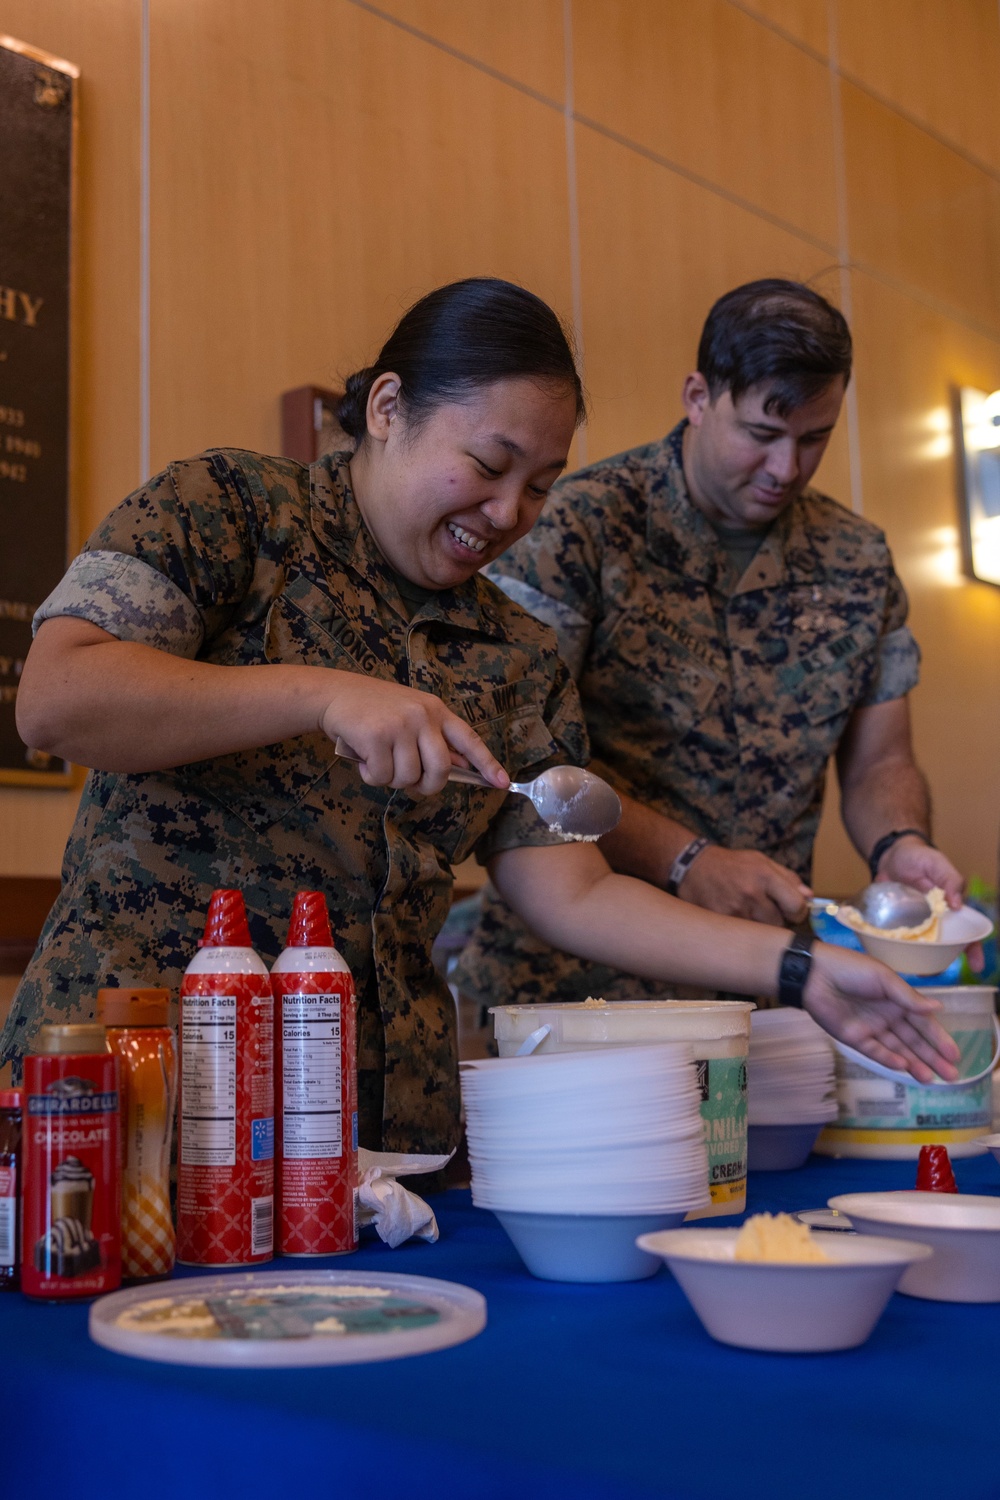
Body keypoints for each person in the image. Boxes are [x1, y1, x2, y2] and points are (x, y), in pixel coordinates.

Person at [9, 278, 957, 1157]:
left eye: (540, 484)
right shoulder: (230, 510)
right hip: (140, 1088)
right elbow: (58, 701)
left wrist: (803, 972)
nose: (508, 512)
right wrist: (321, 692)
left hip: (372, 1129)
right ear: (387, 410)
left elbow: (574, 891)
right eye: (488, 464)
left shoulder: (513, 653)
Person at [454, 278, 972, 1011]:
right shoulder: (580, 527)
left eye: (814, 438)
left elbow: (881, 761)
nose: (786, 468)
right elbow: (525, 760)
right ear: (699, 396)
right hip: (572, 990)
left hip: (764, 989)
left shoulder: (858, 561)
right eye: (762, 434)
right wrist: (685, 860)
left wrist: (899, 846)